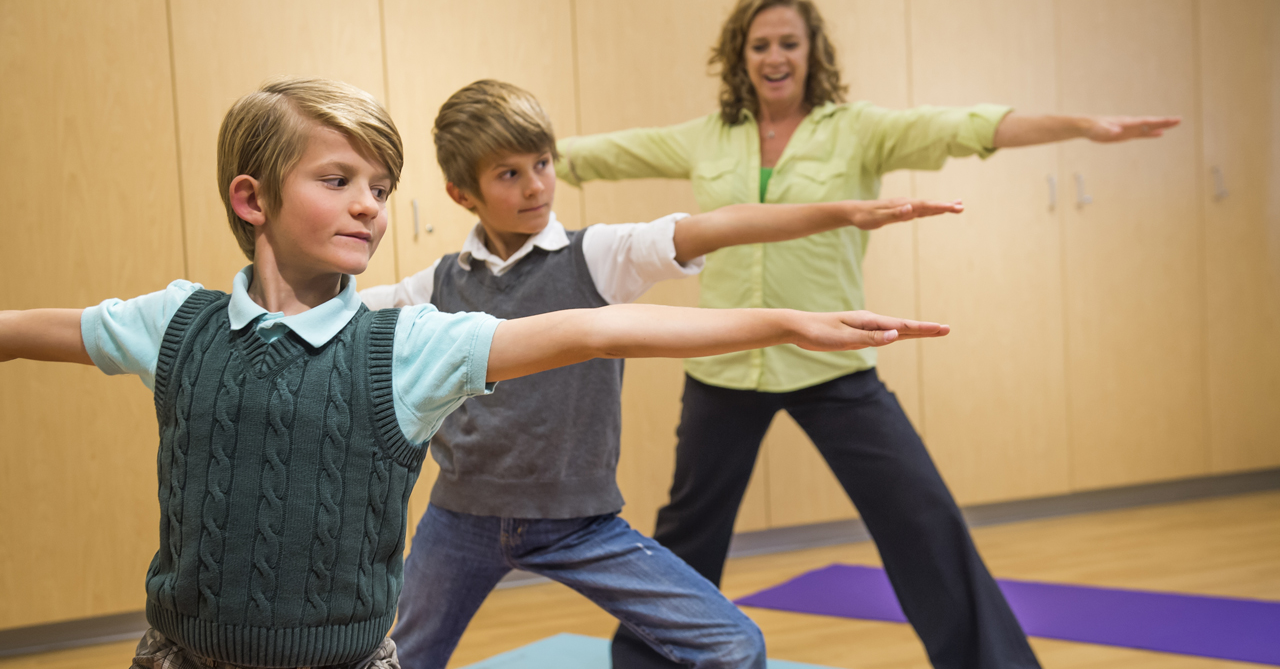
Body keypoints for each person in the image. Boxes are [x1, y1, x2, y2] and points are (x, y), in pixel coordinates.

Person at [0, 77, 949, 669]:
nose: (368, 206)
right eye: (338, 182)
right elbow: (37, 328)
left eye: (380, 189)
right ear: (253, 200)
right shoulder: (206, 321)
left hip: (560, 527)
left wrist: (794, 303)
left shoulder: (442, 328)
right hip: (423, 540)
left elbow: (606, 324)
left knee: (731, 643)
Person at [555, 0, 1180, 669]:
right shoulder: (709, 137)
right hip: (726, 367)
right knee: (687, 535)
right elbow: (597, 154)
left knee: (923, 519)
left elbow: (964, 127)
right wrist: (507, 156)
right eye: (760, 45)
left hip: (834, 365)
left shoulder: (857, 130)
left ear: (812, 51)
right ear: (740, 56)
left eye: (788, 42)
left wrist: (1081, 126)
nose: (774, 56)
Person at [360, 79, 960, 669]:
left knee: (734, 644)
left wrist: (847, 212)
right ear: (462, 193)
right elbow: (343, 316)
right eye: (509, 174)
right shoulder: (435, 286)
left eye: (542, 163)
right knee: (395, 660)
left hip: (579, 523)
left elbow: (717, 226)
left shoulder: (596, 256)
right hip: (460, 519)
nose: (536, 185)